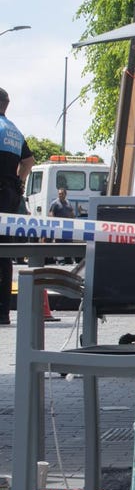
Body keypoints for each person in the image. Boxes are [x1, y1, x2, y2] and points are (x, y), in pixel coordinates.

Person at [0, 87, 35, 325]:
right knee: (4, 255)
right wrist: (20, 182)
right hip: (10, 196)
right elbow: (29, 161)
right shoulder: (14, 130)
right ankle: (3, 312)